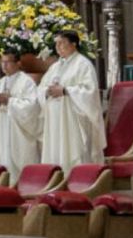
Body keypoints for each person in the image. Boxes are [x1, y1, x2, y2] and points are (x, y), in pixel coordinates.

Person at [39, 31, 105, 169]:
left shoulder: (83, 64)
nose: (57, 47)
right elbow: (41, 88)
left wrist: (65, 91)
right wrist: (47, 91)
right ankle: (57, 181)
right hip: (55, 120)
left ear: (74, 44)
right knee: (56, 152)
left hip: (73, 120)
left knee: (73, 153)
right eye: (56, 43)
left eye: (61, 43)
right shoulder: (55, 67)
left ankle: (78, 182)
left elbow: (90, 91)